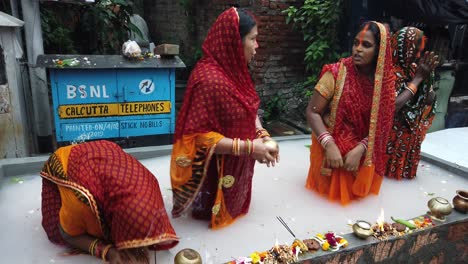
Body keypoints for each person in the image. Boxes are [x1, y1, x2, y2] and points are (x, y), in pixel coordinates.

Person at [170, 7, 279, 229]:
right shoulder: (208, 81)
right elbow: (197, 137)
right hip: (212, 176)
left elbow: (248, 109)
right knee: (208, 217)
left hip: (237, 167)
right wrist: (250, 148)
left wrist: (262, 135)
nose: (257, 46)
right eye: (253, 39)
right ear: (234, 42)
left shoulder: (235, 71)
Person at [40, 140, 178, 264]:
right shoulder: (80, 201)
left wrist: (143, 242)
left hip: (103, 155)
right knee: (56, 230)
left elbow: (146, 217)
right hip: (66, 164)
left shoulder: (150, 185)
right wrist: (107, 252)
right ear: (117, 221)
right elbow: (68, 234)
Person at [305, 21, 396, 205]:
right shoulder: (336, 73)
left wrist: (361, 149)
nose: (358, 49)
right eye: (356, 43)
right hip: (331, 156)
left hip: (362, 155)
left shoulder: (384, 84)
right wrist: (330, 145)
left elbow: (382, 123)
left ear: (379, 51)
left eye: (366, 45)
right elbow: (312, 112)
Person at [385, 27, 439, 180]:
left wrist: (428, 78)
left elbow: (429, 99)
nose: (417, 55)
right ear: (402, 48)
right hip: (390, 139)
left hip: (409, 139)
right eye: (414, 50)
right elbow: (393, 106)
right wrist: (417, 80)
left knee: (403, 182)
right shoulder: (388, 72)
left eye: (420, 51)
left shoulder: (415, 69)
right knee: (385, 181)